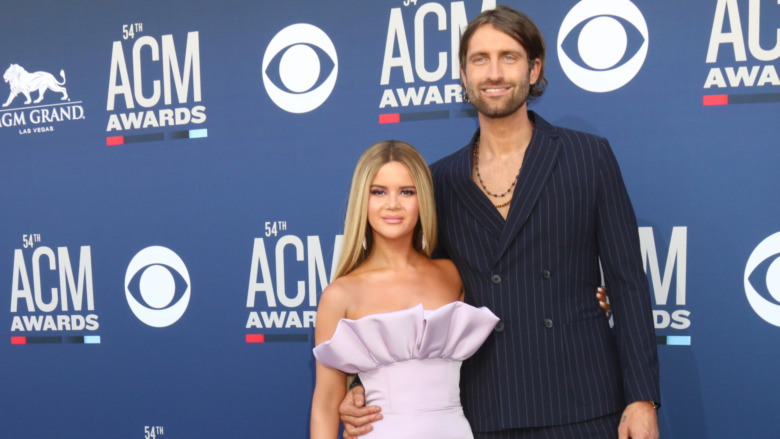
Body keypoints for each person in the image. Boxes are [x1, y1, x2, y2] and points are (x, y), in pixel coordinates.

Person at [339, 6, 660, 439]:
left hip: (585, 403)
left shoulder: (588, 157)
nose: (494, 72)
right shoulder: (439, 182)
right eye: (480, 59)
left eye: (509, 57)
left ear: (534, 69)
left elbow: (628, 284)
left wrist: (641, 398)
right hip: (486, 409)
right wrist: (359, 383)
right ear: (463, 74)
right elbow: (406, 294)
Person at [310, 140, 500, 438]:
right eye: (379, 191)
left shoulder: (452, 275)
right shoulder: (340, 295)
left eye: (407, 191)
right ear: (363, 199)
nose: (393, 204)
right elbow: (325, 402)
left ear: (422, 198)